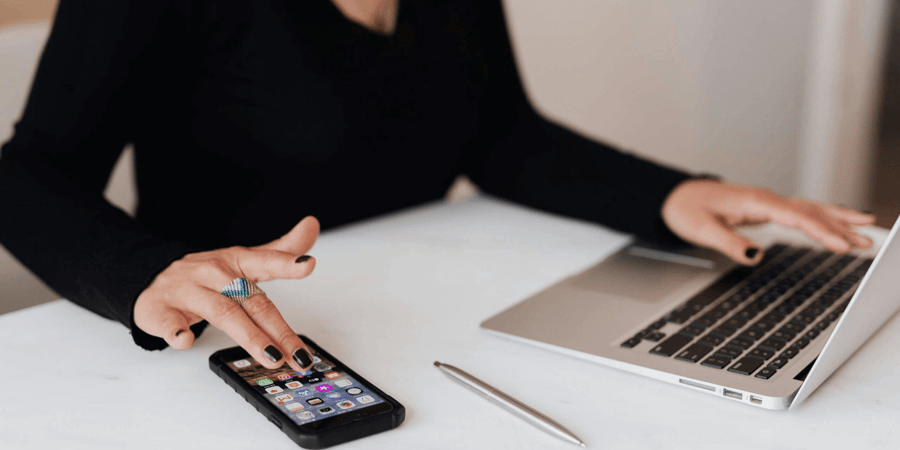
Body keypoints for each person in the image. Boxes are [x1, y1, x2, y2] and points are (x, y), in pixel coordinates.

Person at [0, 0, 874, 375]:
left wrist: (670, 196)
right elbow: (27, 174)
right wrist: (144, 274)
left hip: (438, 325)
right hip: (245, 353)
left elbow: (497, 132)